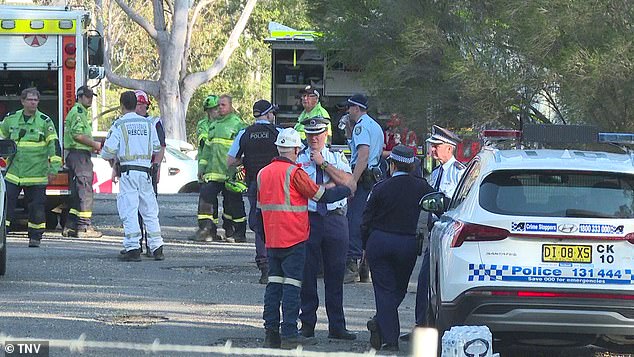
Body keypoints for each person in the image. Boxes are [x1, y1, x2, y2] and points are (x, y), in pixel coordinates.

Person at [258, 128, 354, 349]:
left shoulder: (263, 173)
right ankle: (290, 334)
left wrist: (264, 235)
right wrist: (345, 190)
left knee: (274, 286)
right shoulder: (295, 173)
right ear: (294, 149)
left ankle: (271, 332)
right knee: (292, 286)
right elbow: (322, 196)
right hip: (294, 237)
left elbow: (258, 208)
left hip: (273, 239)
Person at [361, 145, 435, 352]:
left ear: (391, 165)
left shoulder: (380, 187)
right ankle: (383, 325)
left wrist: (364, 245)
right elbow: (440, 203)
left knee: (384, 291)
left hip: (380, 242)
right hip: (406, 244)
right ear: (412, 166)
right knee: (398, 289)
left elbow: (366, 219)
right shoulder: (421, 186)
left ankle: (389, 338)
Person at [402, 125, 466, 341]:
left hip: (450, 237)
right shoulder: (435, 174)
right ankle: (421, 328)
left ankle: (442, 331)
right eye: (432, 146)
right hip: (434, 234)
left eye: (437, 146)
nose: (433, 150)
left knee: (443, 285)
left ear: (450, 148)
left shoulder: (460, 173)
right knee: (424, 284)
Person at [295, 117, 357, 341]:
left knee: (335, 273)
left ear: (326, 134)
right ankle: (307, 324)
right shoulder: (299, 159)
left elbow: (350, 185)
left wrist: (323, 165)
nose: (313, 138)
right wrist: (330, 186)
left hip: (334, 219)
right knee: (308, 273)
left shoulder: (336, 158)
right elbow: (299, 189)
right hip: (309, 218)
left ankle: (337, 326)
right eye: (310, 134)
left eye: (318, 134)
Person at [101, 91, 164, 261]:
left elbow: (107, 152)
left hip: (128, 173)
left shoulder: (119, 124)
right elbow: (157, 147)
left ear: (121, 105)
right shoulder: (148, 124)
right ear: (136, 104)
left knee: (129, 209)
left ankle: (133, 248)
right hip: (146, 173)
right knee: (149, 209)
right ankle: (157, 247)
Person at [0, 87, 62, 247]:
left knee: (37, 208)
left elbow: (54, 145)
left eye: (36, 100)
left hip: (37, 174)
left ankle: (35, 237)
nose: (33, 102)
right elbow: (1, 137)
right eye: (30, 99)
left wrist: (54, 168)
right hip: (14, 173)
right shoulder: (11, 120)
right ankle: (2, 235)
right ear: (22, 101)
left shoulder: (45, 121)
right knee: (6, 204)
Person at [227, 99, 281, 284]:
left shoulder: (245, 133)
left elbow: (230, 161)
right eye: (272, 112)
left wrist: (246, 160)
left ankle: (264, 266)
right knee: (277, 222)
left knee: (259, 224)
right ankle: (277, 264)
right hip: (276, 185)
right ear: (268, 114)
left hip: (255, 184)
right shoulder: (278, 132)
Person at [193, 95, 247, 243]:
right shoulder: (213, 125)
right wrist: (202, 167)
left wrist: (240, 169)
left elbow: (243, 149)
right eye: (218, 106)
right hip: (214, 173)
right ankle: (207, 230)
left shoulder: (237, 124)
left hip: (230, 173)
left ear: (230, 106)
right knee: (206, 198)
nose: (219, 108)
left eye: (223, 105)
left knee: (233, 203)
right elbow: (206, 150)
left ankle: (237, 232)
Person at [342, 94, 384, 284]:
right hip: (374, 176)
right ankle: (365, 265)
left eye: (350, 108)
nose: (348, 111)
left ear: (356, 109)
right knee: (369, 220)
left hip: (364, 177)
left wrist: (353, 181)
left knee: (355, 219)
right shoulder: (374, 125)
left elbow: (363, 156)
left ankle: (352, 264)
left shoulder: (361, 126)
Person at [62, 85, 103, 238]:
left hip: (77, 155)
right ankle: (85, 227)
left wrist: (92, 147)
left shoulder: (81, 112)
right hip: (79, 156)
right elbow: (78, 135)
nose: (90, 99)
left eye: (92, 96)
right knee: (85, 191)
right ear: (79, 97)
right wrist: (96, 145)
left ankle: (71, 226)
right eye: (87, 96)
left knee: (76, 193)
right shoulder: (78, 112)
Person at [133, 90, 166, 255]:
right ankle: (136, 244)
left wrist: (157, 165)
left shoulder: (154, 122)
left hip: (148, 170)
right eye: (136, 104)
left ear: (146, 106)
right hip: (132, 171)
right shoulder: (127, 121)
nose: (138, 107)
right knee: (133, 210)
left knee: (149, 210)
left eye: (140, 104)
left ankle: (153, 246)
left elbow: (161, 146)